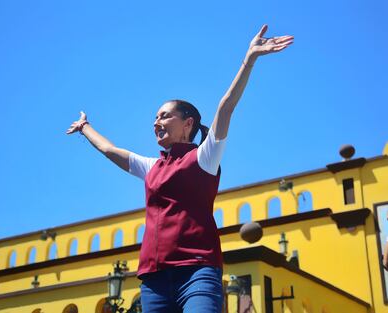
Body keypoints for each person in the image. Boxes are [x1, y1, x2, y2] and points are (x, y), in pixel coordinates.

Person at [67, 24, 293, 313]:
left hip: (198, 270)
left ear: (188, 123)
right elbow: (110, 150)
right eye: (154, 118)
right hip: (154, 278)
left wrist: (249, 59)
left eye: (164, 115)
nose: (156, 122)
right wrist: (85, 127)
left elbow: (226, 107)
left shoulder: (204, 157)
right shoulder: (152, 167)